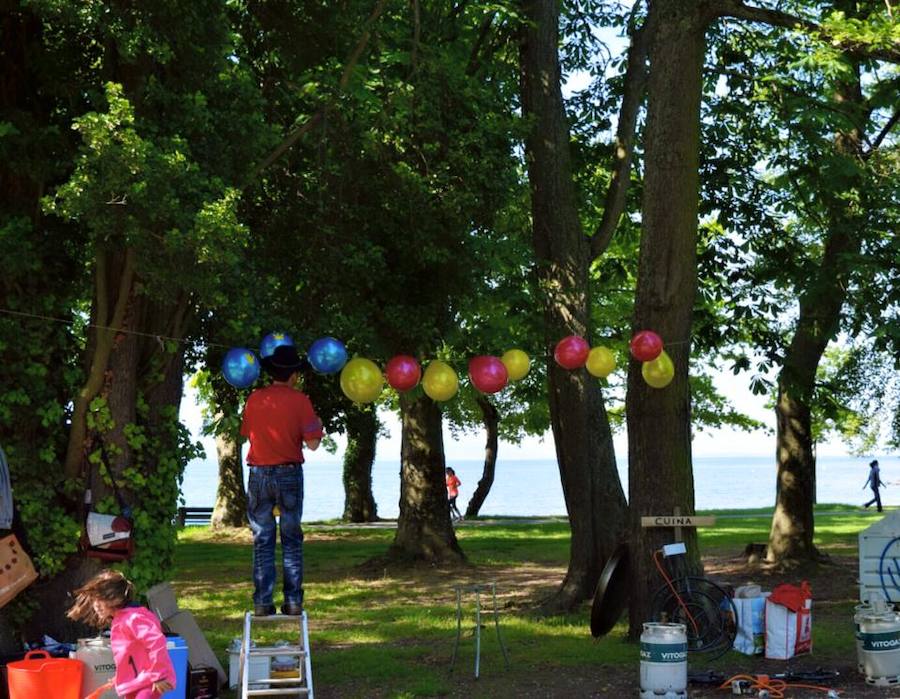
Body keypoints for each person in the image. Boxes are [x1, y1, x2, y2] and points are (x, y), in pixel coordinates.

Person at [241, 344, 323, 616]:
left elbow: (247, 434)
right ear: (293, 375)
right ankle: (293, 601)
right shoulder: (301, 401)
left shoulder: (254, 399)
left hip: (259, 473)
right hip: (289, 473)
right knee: (290, 537)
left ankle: (263, 602)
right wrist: (318, 426)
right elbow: (312, 444)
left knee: (262, 538)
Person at [67, 570, 175, 699]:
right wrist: (121, 677)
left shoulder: (134, 618)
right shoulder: (121, 620)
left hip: (148, 681)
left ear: (115, 598)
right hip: (136, 683)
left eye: (100, 599)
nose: (96, 605)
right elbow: (132, 656)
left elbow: (156, 641)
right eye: (95, 600)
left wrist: (159, 673)